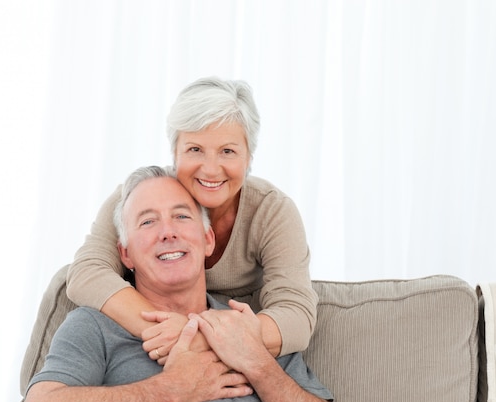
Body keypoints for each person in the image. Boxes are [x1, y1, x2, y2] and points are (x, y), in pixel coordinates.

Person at [23, 166, 338, 402]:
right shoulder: (95, 325)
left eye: (181, 216)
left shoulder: (247, 327)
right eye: (148, 222)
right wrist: (171, 389)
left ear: (208, 241)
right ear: (126, 254)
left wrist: (258, 364)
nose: (168, 232)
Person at [66, 77, 317, 360]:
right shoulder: (137, 196)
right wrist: (167, 331)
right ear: (175, 153)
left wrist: (195, 336)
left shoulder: (272, 211)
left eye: (228, 151)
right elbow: (86, 272)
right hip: (151, 330)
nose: (210, 169)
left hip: (234, 328)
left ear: (249, 158)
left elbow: (295, 316)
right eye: (195, 149)